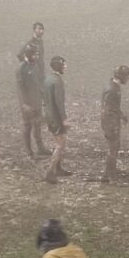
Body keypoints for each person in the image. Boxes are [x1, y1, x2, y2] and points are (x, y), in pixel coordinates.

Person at [16, 43, 50, 157]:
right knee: (27, 126)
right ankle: (29, 152)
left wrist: (44, 98)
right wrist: (25, 104)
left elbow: (39, 83)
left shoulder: (35, 66)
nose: (37, 57)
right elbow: (20, 89)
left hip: (36, 100)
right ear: (29, 54)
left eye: (38, 54)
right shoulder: (21, 68)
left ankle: (40, 148)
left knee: (38, 123)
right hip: (27, 103)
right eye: (35, 54)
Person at [43, 56, 71, 184]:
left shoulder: (48, 79)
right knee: (60, 145)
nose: (65, 67)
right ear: (58, 66)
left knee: (60, 143)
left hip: (49, 115)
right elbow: (59, 102)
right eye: (63, 65)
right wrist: (64, 119)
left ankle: (58, 169)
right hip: (56, 117)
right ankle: (50, 172)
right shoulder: (57, 81)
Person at [100, 65, 129, 182]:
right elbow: (110, 108)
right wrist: (116, 121)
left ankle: (108, 172)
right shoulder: (113, 90)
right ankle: (110, 175)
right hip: (111, 121)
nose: (128, 78)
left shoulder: (112, 85)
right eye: (127, 76)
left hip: (110, 120)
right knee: (113, 148)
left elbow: (114, 106)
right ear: (121, 76)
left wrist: (121, 115)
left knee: (114, 147)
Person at [18, 22, 46, 87]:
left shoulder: (40, 42)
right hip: (33, 73)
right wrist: (28, 62)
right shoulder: (30, 42)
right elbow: (19, 55)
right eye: (39, 29)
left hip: (41, 71)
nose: (41, 31)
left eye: (42, 29)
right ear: (34, 30)